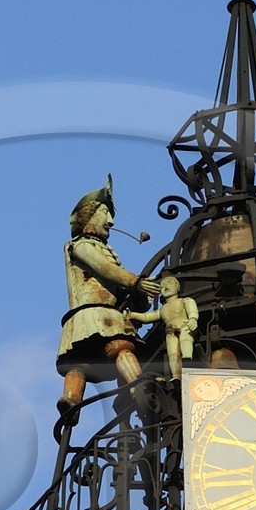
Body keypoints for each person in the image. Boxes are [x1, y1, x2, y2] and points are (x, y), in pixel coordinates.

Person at [57, 179, 146, 426]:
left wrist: (139, 296)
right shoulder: (81, 246)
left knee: (81, 363)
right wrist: (135, 281)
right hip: (94, 314)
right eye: (106, 214)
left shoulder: (100, 247)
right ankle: (137, 383)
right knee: (119, 347)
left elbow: (116, 284)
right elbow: (106, 270)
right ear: (90, 216)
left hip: (101, 313)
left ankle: (72, 400)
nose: (111, 222)